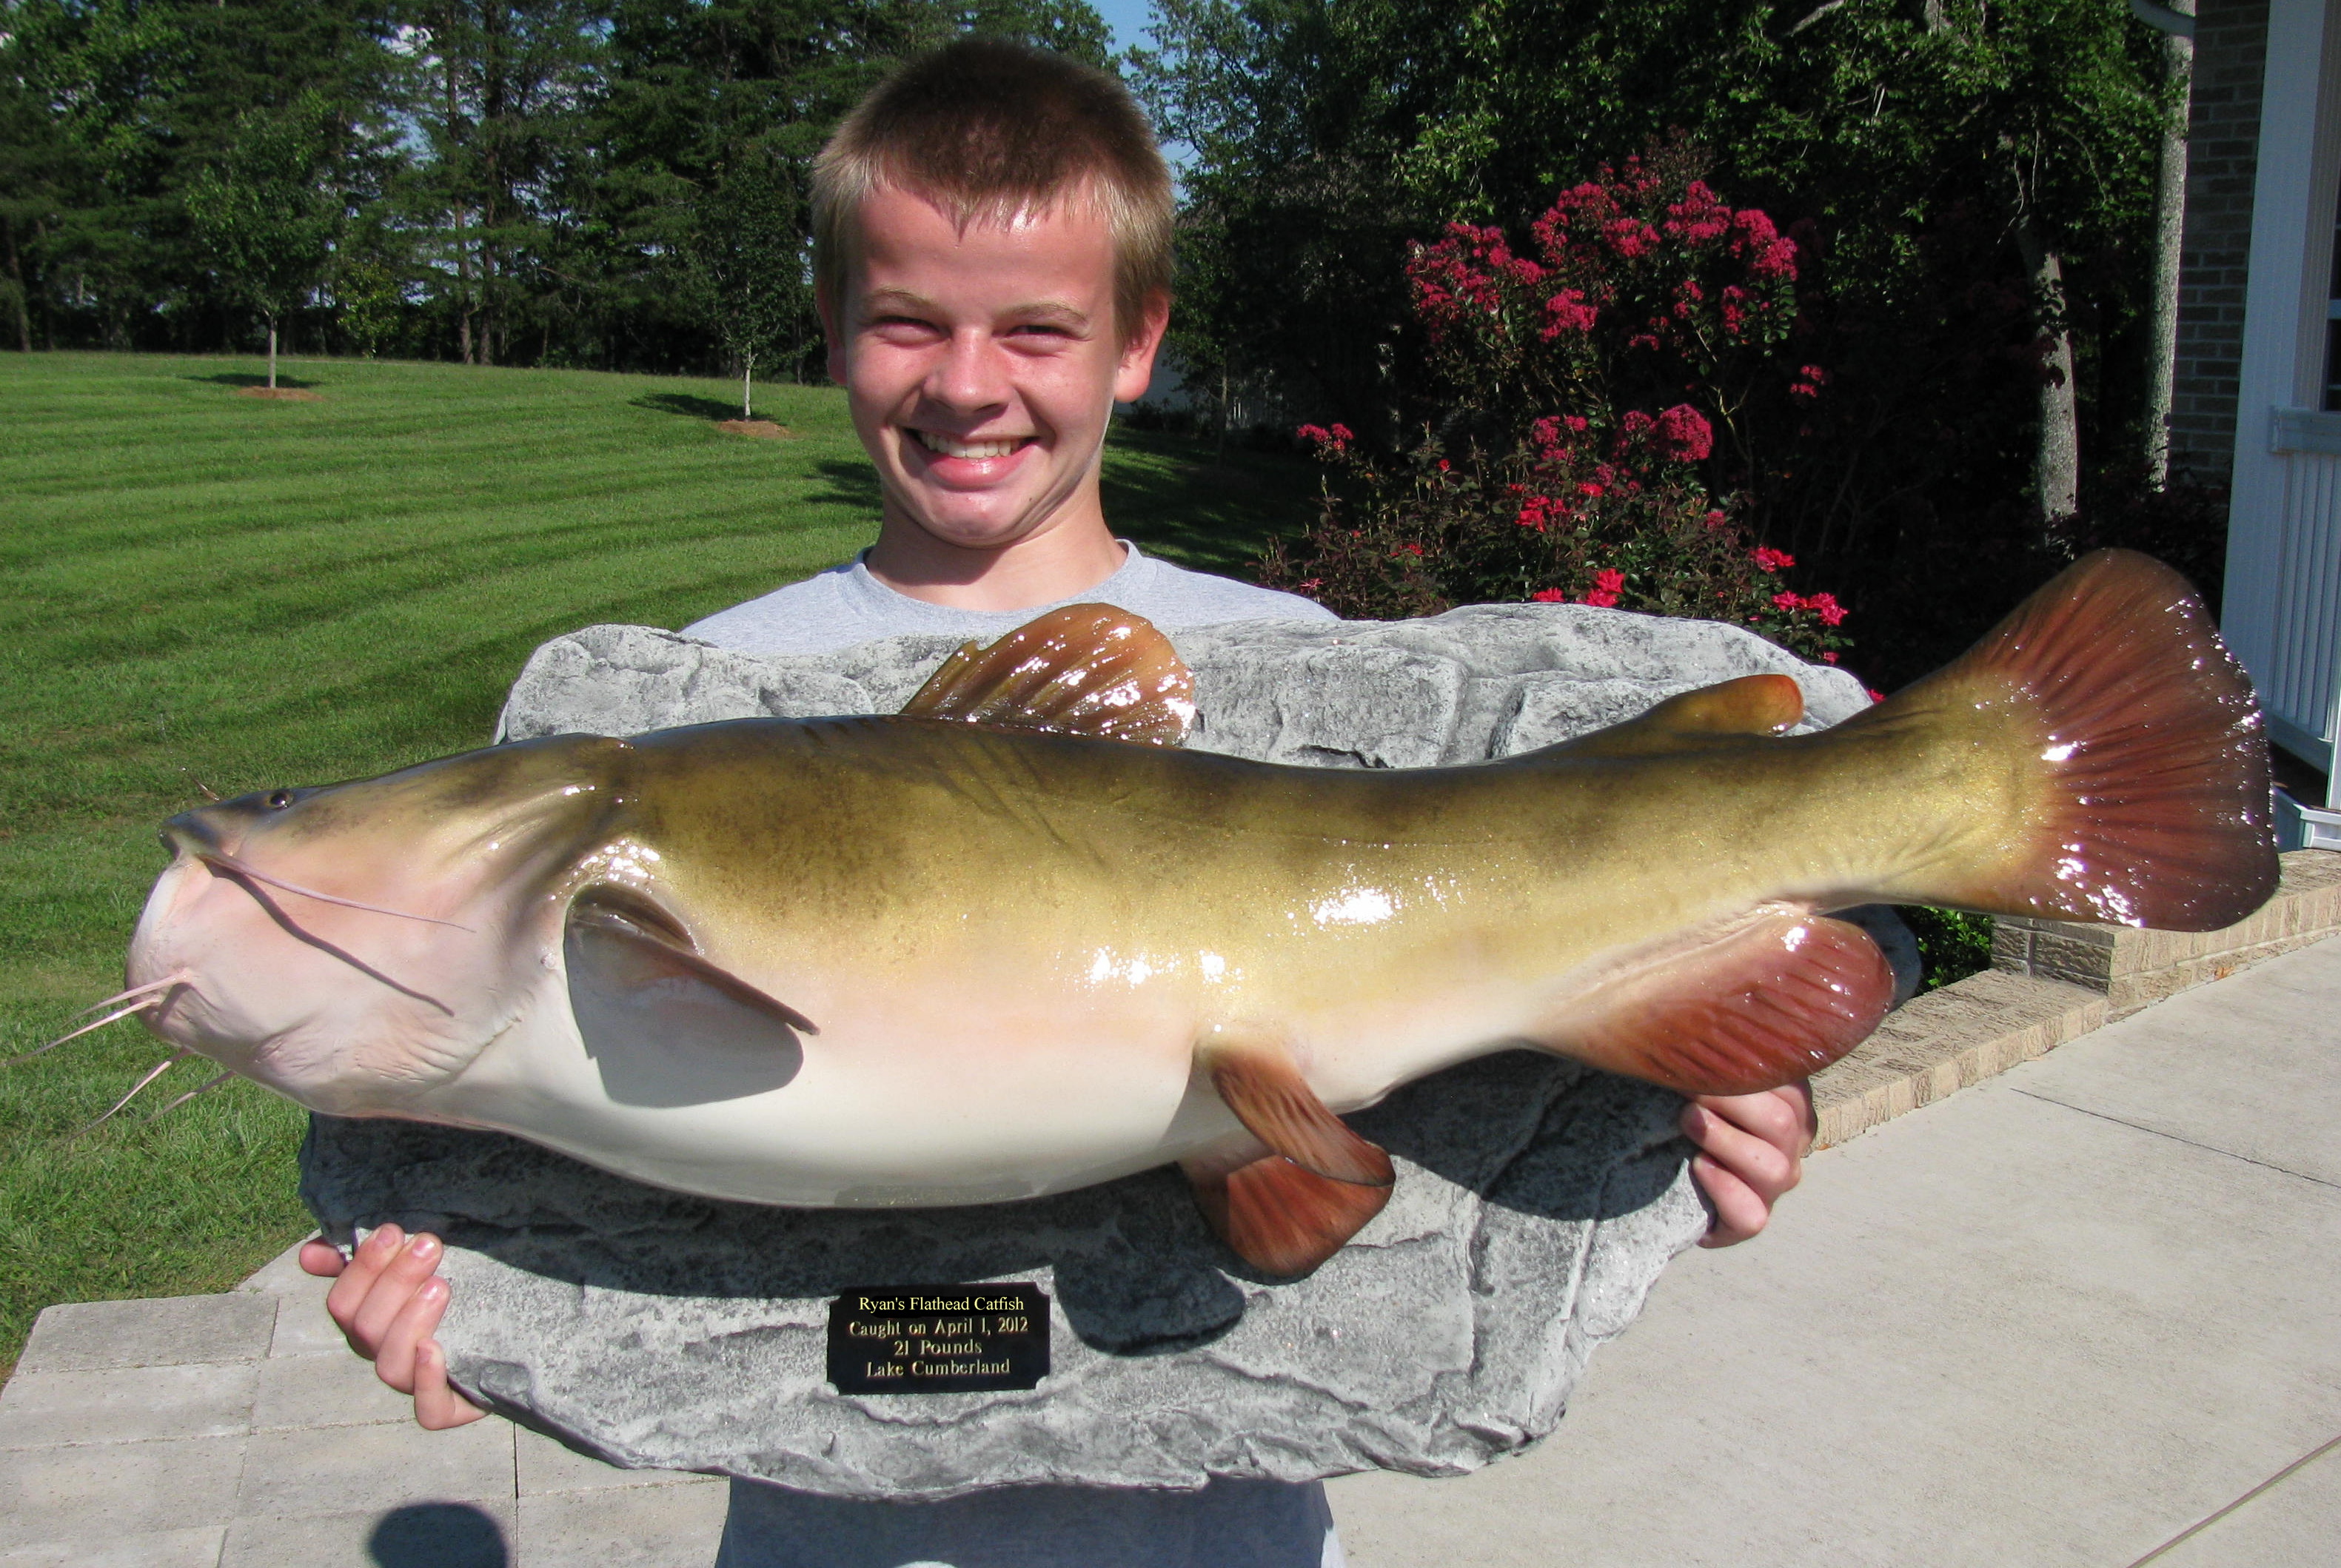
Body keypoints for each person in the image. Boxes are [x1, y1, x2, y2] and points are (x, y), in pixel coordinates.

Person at [301, 38, 1818, 1567]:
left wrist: (1703, 1108)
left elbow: (1577, 967)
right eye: (907, 323)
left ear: (1138, 341)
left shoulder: (1302, 674)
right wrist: (466, 1284)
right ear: (830, 328)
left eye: (1038, 329)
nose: (968, 385)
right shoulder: (712, 700)